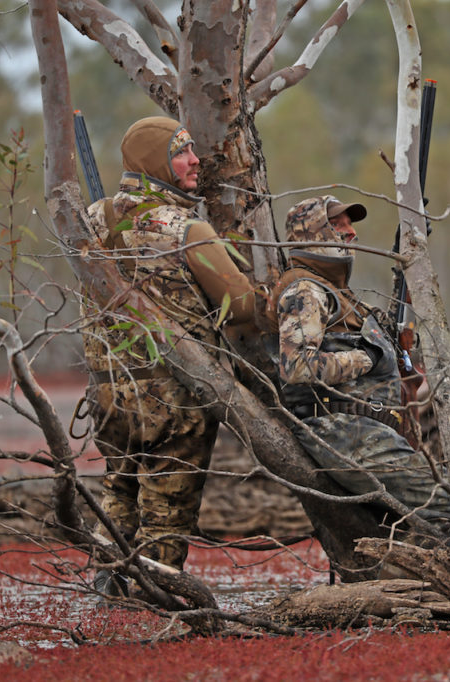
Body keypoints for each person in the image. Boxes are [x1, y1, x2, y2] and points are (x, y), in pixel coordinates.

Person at [81, 116, 263, 589]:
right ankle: (153, 597)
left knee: (117, 487)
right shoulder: (188, 228)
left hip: (108, 394)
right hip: (173, 400)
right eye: (180, 152)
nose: (195, 161)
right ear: (154, 164)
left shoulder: (90, 219)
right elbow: (241, 306)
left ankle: (106, 589)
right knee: (166, 508)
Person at [272, 195, 450, 532]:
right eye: (338, 226)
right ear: (312, 236)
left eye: (350, 225)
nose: (351, 233)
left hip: (365, 432)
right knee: (445, 502)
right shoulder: (305, 291)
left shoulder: (338, 294)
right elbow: (297, 366)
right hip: (340, 431)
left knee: (442, 502)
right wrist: (365, 358)